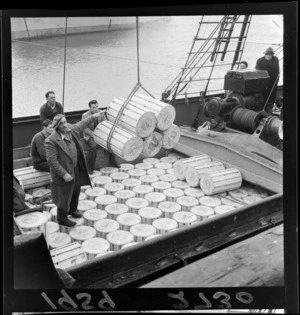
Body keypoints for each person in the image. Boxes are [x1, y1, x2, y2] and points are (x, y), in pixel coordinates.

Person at [45, 111, 104, 227]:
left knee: (76, 190)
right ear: (56, 126)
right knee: (64, 194)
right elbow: (52, 161)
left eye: (65, 122)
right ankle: (62, 218)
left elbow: (81, 125)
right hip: (64, 172)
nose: (64, 125)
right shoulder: (51, 140)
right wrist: (64, 174)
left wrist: (93, 117)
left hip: (75, 168)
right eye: (61, 123)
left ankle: (73, 210)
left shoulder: (70, 130)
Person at [81, 100, 106, 174]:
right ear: (90, 108)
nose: (96, 109)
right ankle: (90, 167)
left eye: (97, 107)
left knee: (109, 142)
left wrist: (102, 134)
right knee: (93, 146)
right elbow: (84, 128)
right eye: (93, 107)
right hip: (90, 135)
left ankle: (113, 161)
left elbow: (105, 123)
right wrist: (93, 134)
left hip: (100, 135)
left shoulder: (101, 113)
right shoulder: (85, 115)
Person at [255, 47, 280, 114]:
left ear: (272, 55)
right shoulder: (260, 61)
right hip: (263, 82)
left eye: (270, 55)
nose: (269, 56)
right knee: (264, 96)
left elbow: (277, 71)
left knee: (272, 95)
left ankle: (270, 107)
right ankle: (262, 108)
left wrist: (277, 81)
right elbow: (258, 73)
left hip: (273, 81)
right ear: (265, 54)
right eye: (267, 55)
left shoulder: (275, 60)